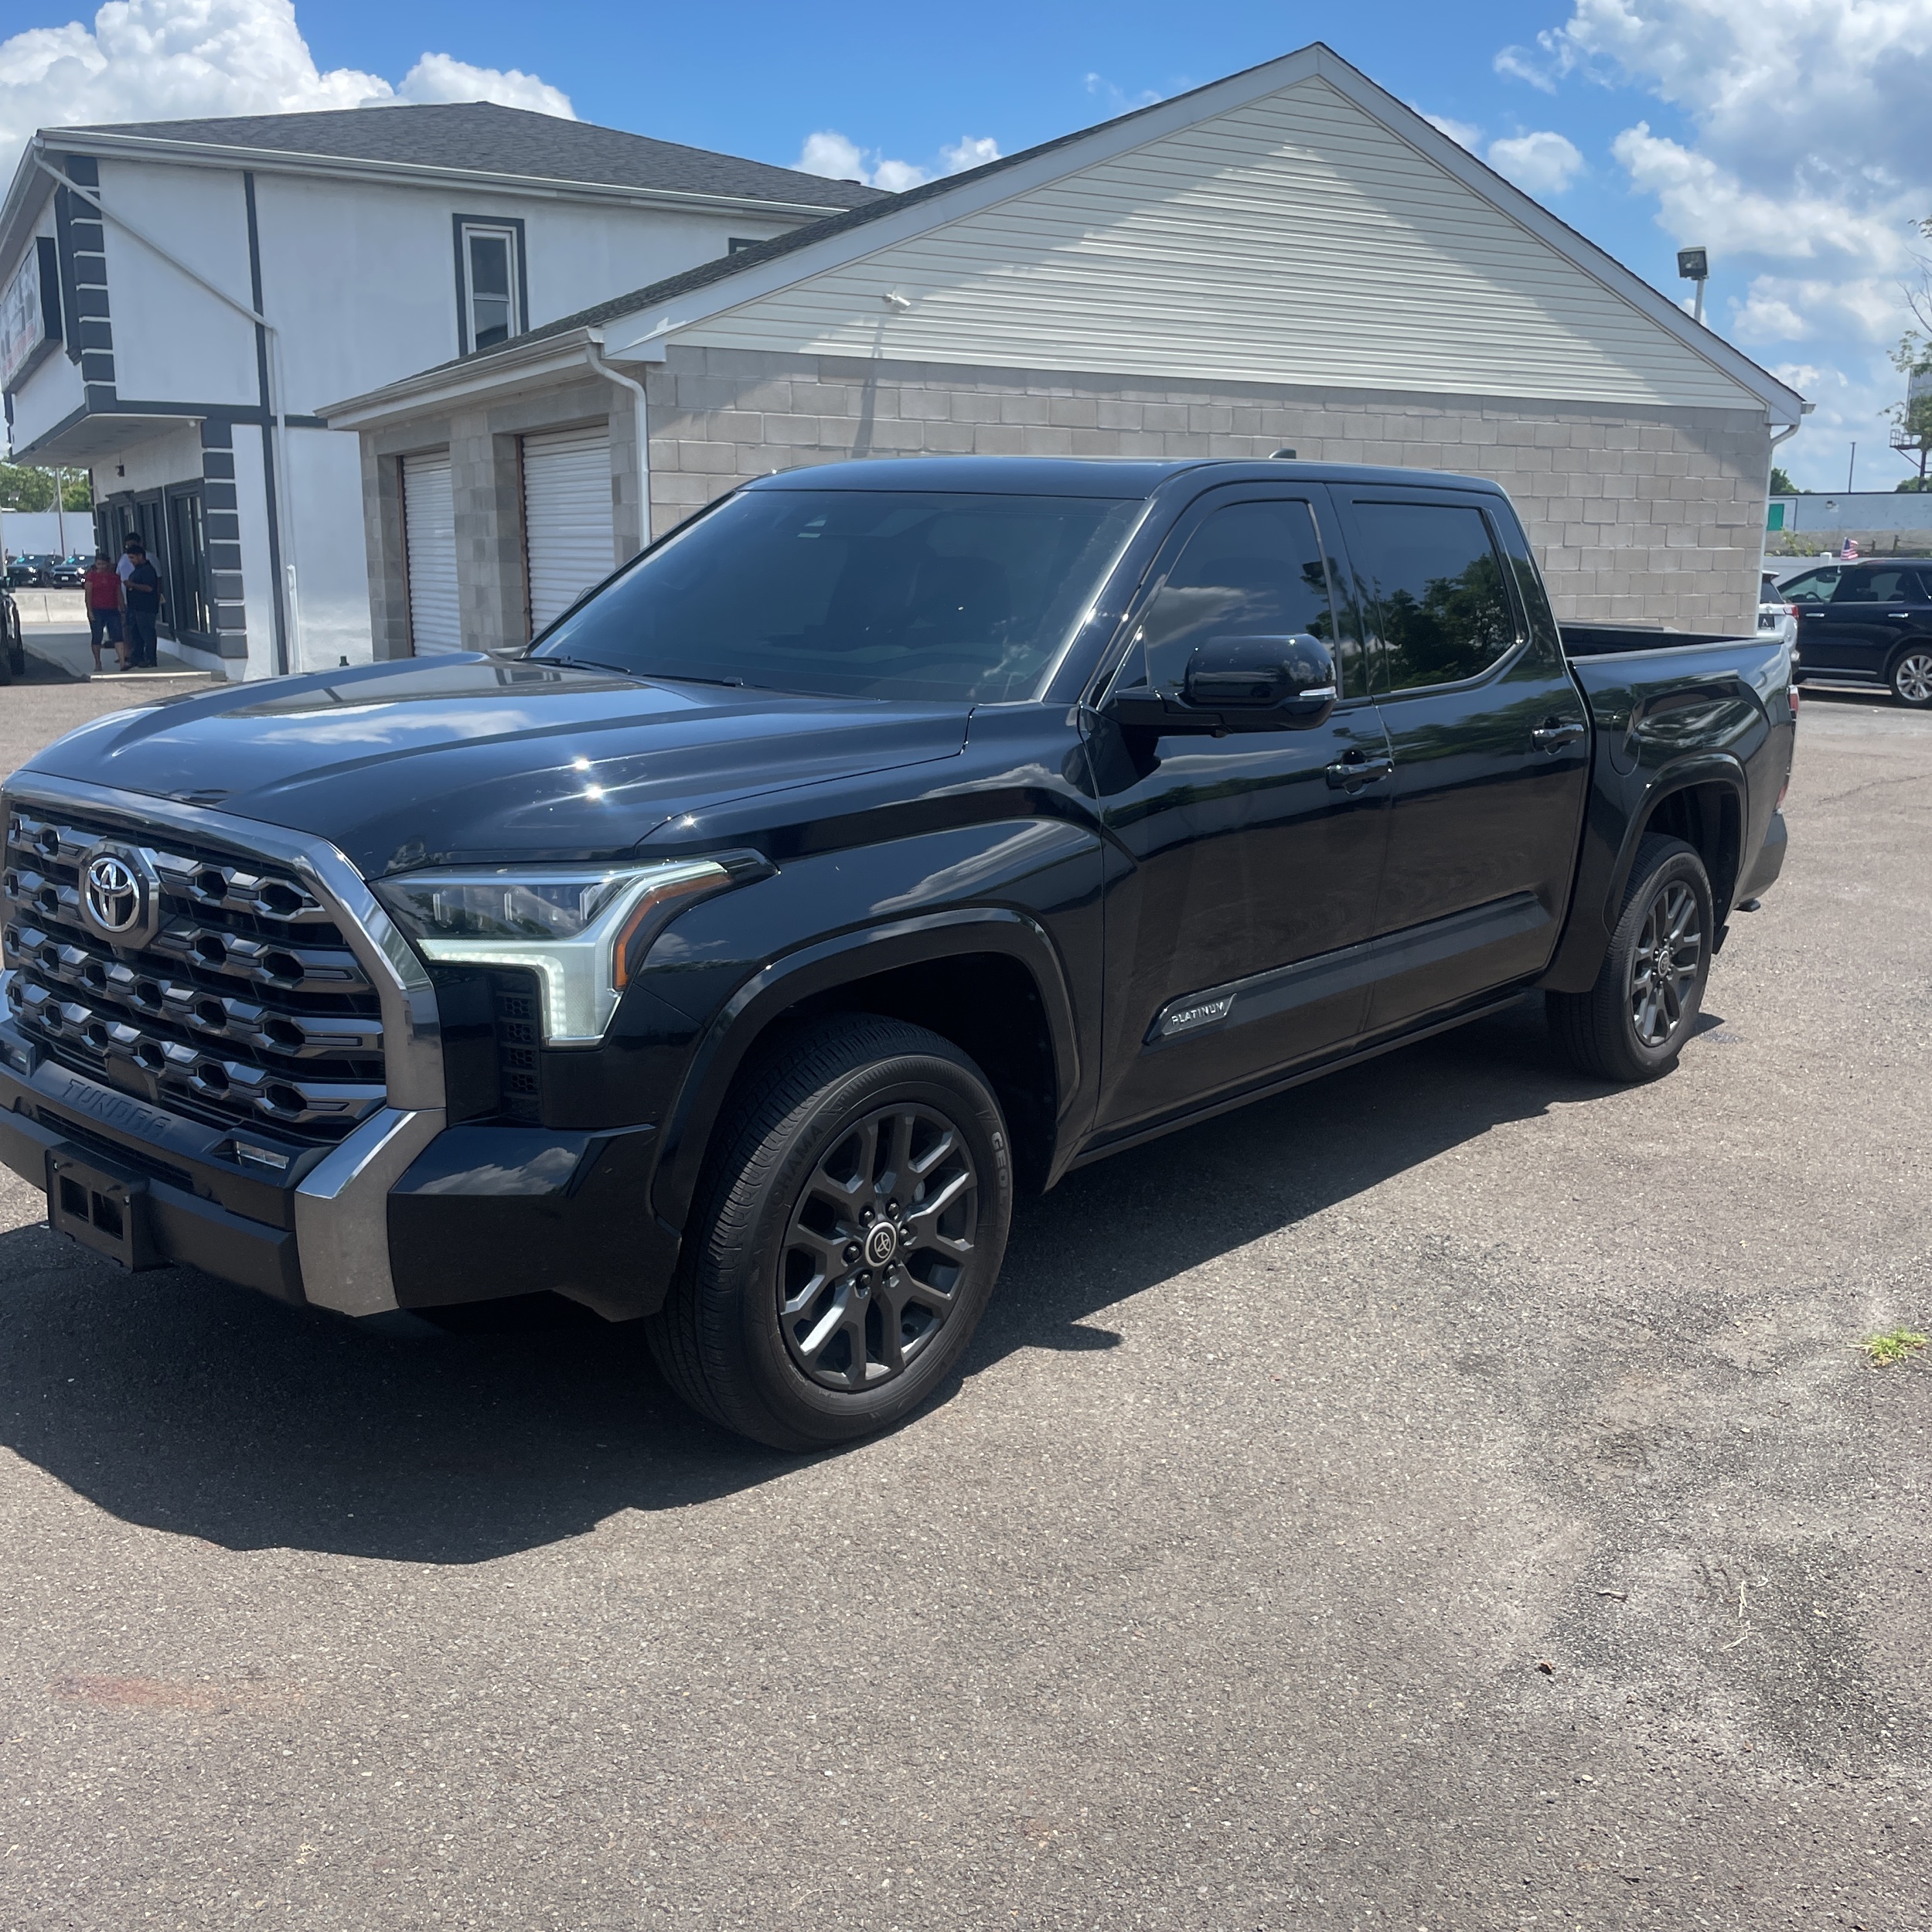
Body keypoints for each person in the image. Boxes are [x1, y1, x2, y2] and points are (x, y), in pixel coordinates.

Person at [121, 538, 165, 669]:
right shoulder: (137, 569)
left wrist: (132, 585)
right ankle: (137, 657)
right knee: (136, 634)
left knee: (147, 633)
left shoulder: (147, 570)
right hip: (135, 607)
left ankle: (151, 659)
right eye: (129, 558)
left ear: (141, 556)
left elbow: (149, 588)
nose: (131, 561)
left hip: (145, 608)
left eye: (133, 558)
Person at [83, 551, 126, 672]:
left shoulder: (114, 577)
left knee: (118, 636)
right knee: (97, 636)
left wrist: (122, 607)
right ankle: (98, 662)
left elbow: (118, 593)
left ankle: (122, 662)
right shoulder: (91, 577)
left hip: (112, 609)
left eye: (103, 564)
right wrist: (89, 611)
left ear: (108, 564)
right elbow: (88, 594)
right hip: (97, 610)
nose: (101, 567)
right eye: (98, 564)